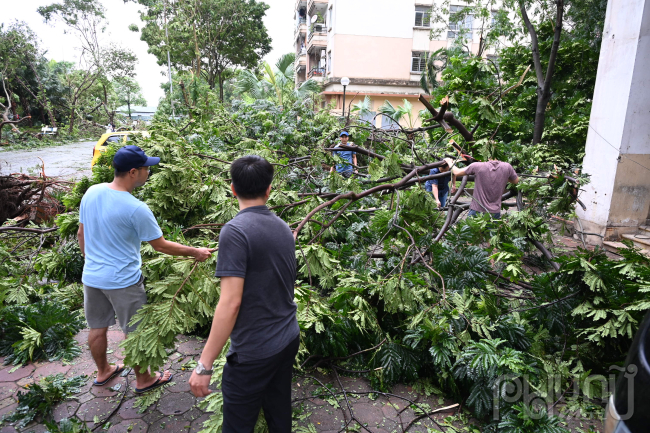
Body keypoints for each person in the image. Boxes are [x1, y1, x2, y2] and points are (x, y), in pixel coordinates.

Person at [78, 145, 214, 394]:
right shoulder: (136, 208)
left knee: (97, 327)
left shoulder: (92, 192)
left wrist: (92, 260)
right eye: (146, 168)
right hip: (123, 281)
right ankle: (144, 380)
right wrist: (196, 252)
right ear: (133, 172)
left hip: (92, 276)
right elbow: (161, 246)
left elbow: (81, 233)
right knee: (136, 332)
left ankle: (103, 372)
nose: (148, 172)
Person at [189, 155, 299, 432]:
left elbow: (230, 303)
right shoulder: (284, 228)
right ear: (269, 189)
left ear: (232, 188)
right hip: (287, 338)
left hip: (254, 351)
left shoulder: (235, 232)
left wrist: (204, 365)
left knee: (237, 425)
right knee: (279, 412)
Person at [451, 157, 519, 219]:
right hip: (495, 212)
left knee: (471, 232)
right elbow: (516, 181)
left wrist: (449, 161)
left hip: (476, 211)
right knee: (492, 232)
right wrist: (502, 176)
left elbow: (456, 172)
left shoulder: (477, 166)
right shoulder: (507, 167)